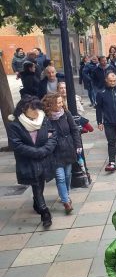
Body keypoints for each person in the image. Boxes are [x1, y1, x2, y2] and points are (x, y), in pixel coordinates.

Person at [7, 95, 57, 227]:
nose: (36, 112)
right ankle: (45, 213)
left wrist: (45, 150)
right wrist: (36, 152)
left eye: (37, 108)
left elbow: (53, 136)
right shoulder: (15, 125)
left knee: (40, 183)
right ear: (24, 109)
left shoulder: (43, 119)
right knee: (35, 184)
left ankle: (37, 202)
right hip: (28, 161)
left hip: (44, 158)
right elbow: (16, 145)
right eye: (33, 109)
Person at [41, 93, 81, 214]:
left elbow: (74, 130)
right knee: (60, 177)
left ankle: (65, 194)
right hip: (54, 152)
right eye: (58, 102)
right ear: (50, 104)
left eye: (61, 102)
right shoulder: (45, 118)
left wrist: (78, 145)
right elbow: (42, 135)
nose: (61, 104)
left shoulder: (66, 113)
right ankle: (66, 201)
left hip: (68, 149)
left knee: (68, 175)